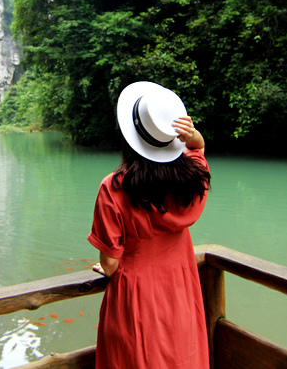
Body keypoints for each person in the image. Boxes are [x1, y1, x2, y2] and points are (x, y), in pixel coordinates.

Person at [88, 81, 211, 369]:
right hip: (180, 291)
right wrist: (194, 138)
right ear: (172, 137)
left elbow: (110, 263)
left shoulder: (115, 186)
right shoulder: (192, 181)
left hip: (136, 298)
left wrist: (106, 267)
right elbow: (198, 150)